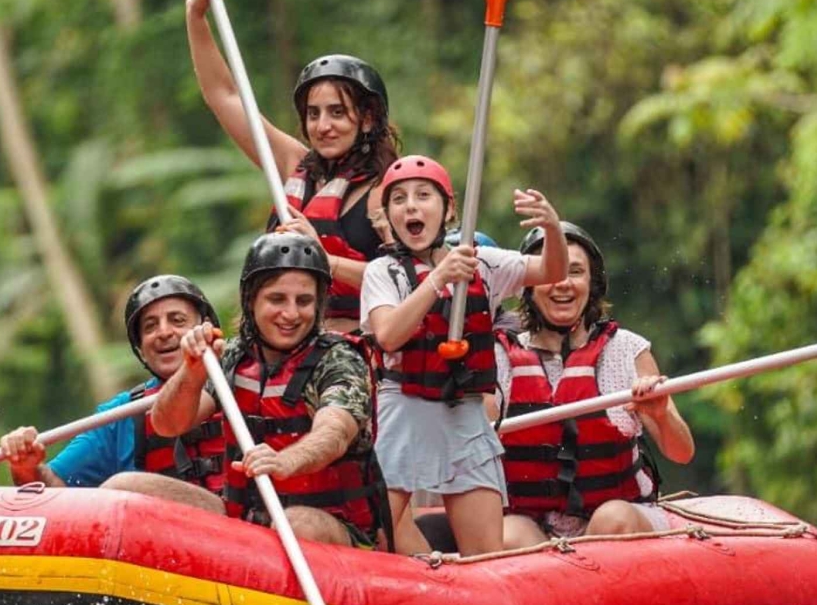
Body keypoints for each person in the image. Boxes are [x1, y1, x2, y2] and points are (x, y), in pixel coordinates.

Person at [361, 156, 567, 556]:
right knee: (378, 536)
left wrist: (552, 228)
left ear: (449, 209)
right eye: (399, 199)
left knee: (486, 552)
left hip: (463, 412)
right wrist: (438, 278)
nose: (411, 206)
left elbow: (551, 271)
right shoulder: (382, 272)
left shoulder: (481, 262)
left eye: (423, 195)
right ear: (389, 216)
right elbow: (388, 335)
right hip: (403, 409)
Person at [186, 0, 401, 332]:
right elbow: (224, 95)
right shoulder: (293, 163)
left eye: (337, 112)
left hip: (352, 348)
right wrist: (197, 16)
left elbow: (410, 281)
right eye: (313, 114)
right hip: (280, 344)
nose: (323, 126)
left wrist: (322, 257)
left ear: (367, 118)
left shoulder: (387, 191)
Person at [151, 233, 390, 549]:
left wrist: (284, 462)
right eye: (277, 299)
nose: (291, 314)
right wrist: (191, 373)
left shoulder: (339, 359)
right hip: (247, 518)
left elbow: (335, 433)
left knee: (295, 523)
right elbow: (167, 424)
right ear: (251, 300)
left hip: (334, 527)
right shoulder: (233, 356)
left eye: (304, 301)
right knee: (126, 486)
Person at [499, 223, 696, 548]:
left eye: (575, 271)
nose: (562, 283)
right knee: (507, 536)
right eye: (550, 271)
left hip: (621, 514)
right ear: (529, 286)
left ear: (593, 283)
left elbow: (682, 452)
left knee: (612, 519)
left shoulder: (628, 350)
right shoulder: (501, 358)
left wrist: (660, 415)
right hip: (535, 524)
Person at [0, 275, 226, 516]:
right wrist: (26, 467)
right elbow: (55, 491)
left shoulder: (237, 378)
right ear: (141, 350)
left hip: (237, 526)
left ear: (206, 327)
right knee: (119, 489)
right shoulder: (120, 414)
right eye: (150, 326)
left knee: (122, 486)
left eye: (177, 320)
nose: (164, 332)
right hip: (158, 536)